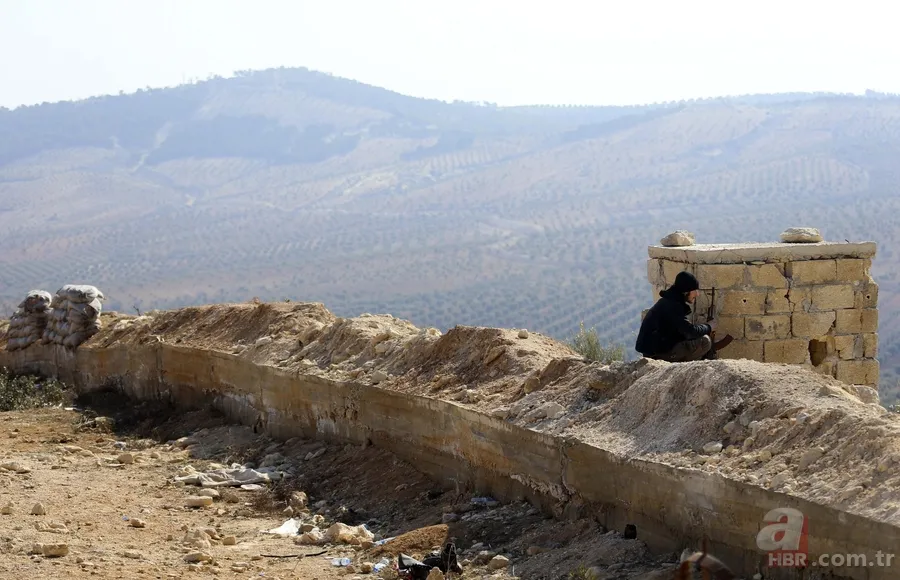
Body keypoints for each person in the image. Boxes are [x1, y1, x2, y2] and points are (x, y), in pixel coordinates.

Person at [635, 271, 718, 362]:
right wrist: (709, 326)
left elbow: (681, 330)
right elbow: (690, 332)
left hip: (656, 349)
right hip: (657, 354)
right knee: (705, 342)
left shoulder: (669, 301)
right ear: (686, 292)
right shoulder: (674, 306)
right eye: (695, 290)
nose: (697, 294)